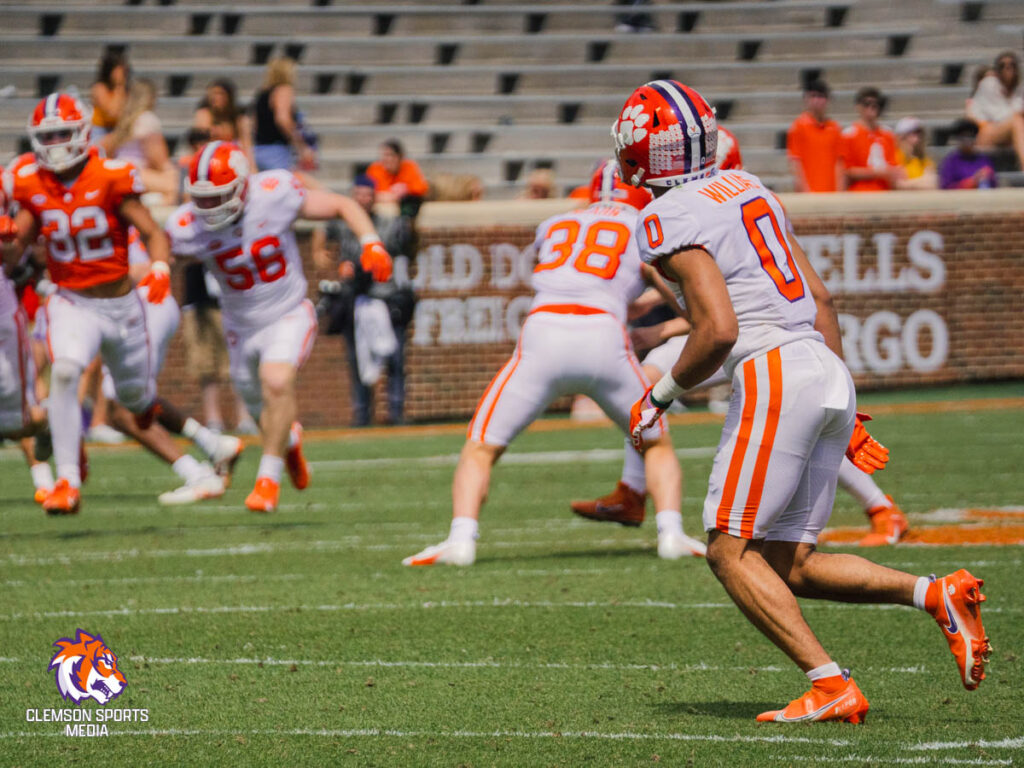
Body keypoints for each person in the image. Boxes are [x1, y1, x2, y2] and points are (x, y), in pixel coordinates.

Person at [616, 79, 989, 722]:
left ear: (641, 153)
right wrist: (839, 401)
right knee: (791, 563)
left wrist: (662, 394)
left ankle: (829, 683)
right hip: (823, 369)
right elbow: (822, 301)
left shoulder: (665, 215)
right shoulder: (750, 187)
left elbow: (718, 329)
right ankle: (935, 593)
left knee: (728, 551)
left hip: (774, 373)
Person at [402, 159, 706, 567]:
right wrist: (662, 325)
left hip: (544, 331)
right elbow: (687, 304)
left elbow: (570, 275)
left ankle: (461, 539)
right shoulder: (645, 227)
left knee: (480, 446)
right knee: (654, 441)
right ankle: (671, 534)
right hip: (603, 336)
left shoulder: (556, 223)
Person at [166, 140, 393, 512]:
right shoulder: (188, 224)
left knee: (276, 380)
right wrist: (156, 270)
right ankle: (288, 442)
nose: (208, 207)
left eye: (218, 196)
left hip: (288, 311)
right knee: (259, 406)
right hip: (240, 326)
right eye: (202, 198)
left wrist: (371, 243)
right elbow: (159, 245)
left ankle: (267, 482)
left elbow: (340, 204)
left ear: (242, 186)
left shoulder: (274, 194)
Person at [577, 315, 910, 548]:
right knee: (640, 386)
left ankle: (881, 508)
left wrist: (661, 326)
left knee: (797, 430)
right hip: (735, 331)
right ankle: (632, 491)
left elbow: (711, 301)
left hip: (754, 338)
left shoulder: (696, 226)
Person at [1, 94, 174, 515]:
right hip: (71, 301)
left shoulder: (111, 175)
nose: (56, 143)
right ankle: (67, 482)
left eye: (63, 133)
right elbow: (15, 252)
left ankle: (146, 405)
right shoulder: (30, 179)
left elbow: (153, 232)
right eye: (48, 135)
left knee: (134, 399)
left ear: (81, 133)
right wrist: (6, 239)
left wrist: (160, 268)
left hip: (121, 306)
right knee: (63, 371)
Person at [312, 174, 413, 426]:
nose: (363, 199)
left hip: (384, 296)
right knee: (357, 358)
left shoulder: (388, 223)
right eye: (359, 194)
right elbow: (322, 226)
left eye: (368, 195)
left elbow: (407, 241)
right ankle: (361, 414)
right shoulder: (343, 222)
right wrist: (319, 251)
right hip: (354, 298)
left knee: (394, 357)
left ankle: (395, 411)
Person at [101, 79, 178, 204]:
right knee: (176, 186)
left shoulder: (124, 120)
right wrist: (174, 172)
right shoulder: (148, 119)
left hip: (119, 170)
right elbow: (159, 160)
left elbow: (104, 146)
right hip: (135, 172)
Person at [252, 57, 316, 173]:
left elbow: (254, 123)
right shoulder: (284, 89)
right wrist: (300, 145)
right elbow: (282, 119)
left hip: (259, 149)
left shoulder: (263, 93)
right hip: (276, 151)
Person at [966, 52, 1024, 169]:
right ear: (997, 70)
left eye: (1012, 65)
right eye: (1003, 65)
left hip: (1010, 133)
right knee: (1017, 121)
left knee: (1017, 123)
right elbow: (1000, 118)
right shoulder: (989, 85)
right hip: (986, 132)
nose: (1008, 68)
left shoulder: (1019, 91)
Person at [840, 87, 902, 192]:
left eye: (875, 104)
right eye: (866, 103)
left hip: (884, 191)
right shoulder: (849, 135)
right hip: (858, 192)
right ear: (858, 106)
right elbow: (847, 171)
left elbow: (893, 166)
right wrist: (878, 172)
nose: (871, 107)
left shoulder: (888, 135)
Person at [786, 80, 843, 193]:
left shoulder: (835, 128)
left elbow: (839, 163)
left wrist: (840, 191)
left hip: (831, 191)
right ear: (806, 99)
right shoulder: (798, 126)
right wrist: (806, 193)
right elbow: (795, 163)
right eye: (813, 96)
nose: (817, 100)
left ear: (828, 100)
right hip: (809, 192)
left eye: (821, 96)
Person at [193, 79, 255, 171]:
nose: (215, 97)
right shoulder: (204, 114)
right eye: (213, 94)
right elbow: (200, 143)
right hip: (210, 160)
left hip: (232, 159)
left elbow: (246, 145)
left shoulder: (238, 118)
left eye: (220, 94)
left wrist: (252, 168)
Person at [365, 139, 429, 206]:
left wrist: (406, 189)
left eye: (390, 155)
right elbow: (366, 193)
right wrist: (393, 195)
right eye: (384, 155)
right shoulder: (375, 169)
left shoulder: (409, 166)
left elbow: (421, 188)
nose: (386, 159)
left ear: (399, 157)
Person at [940, 118, 997, 190]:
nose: (967, 140)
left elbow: (994, 185)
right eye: (963, 136)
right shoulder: (951, 162)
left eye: (970, 136)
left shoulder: (984, 160)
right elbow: (946, 189)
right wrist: (972, 182)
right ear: (958, 139)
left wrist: (989, 176)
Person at [89, 51, 129, 143]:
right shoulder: (99, 88)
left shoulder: (125, 89)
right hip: (100, 131)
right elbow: (112, 113)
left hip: (117, 131)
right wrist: (119, 86)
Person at [893, 117, 939, 190]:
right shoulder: (895, 157)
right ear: (901, 136)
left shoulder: (924, 159)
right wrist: (921, 182)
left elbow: (933, 183)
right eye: (913, 133)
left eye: (919, 133)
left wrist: (909, 184)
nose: (918, 137)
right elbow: (897, 185)